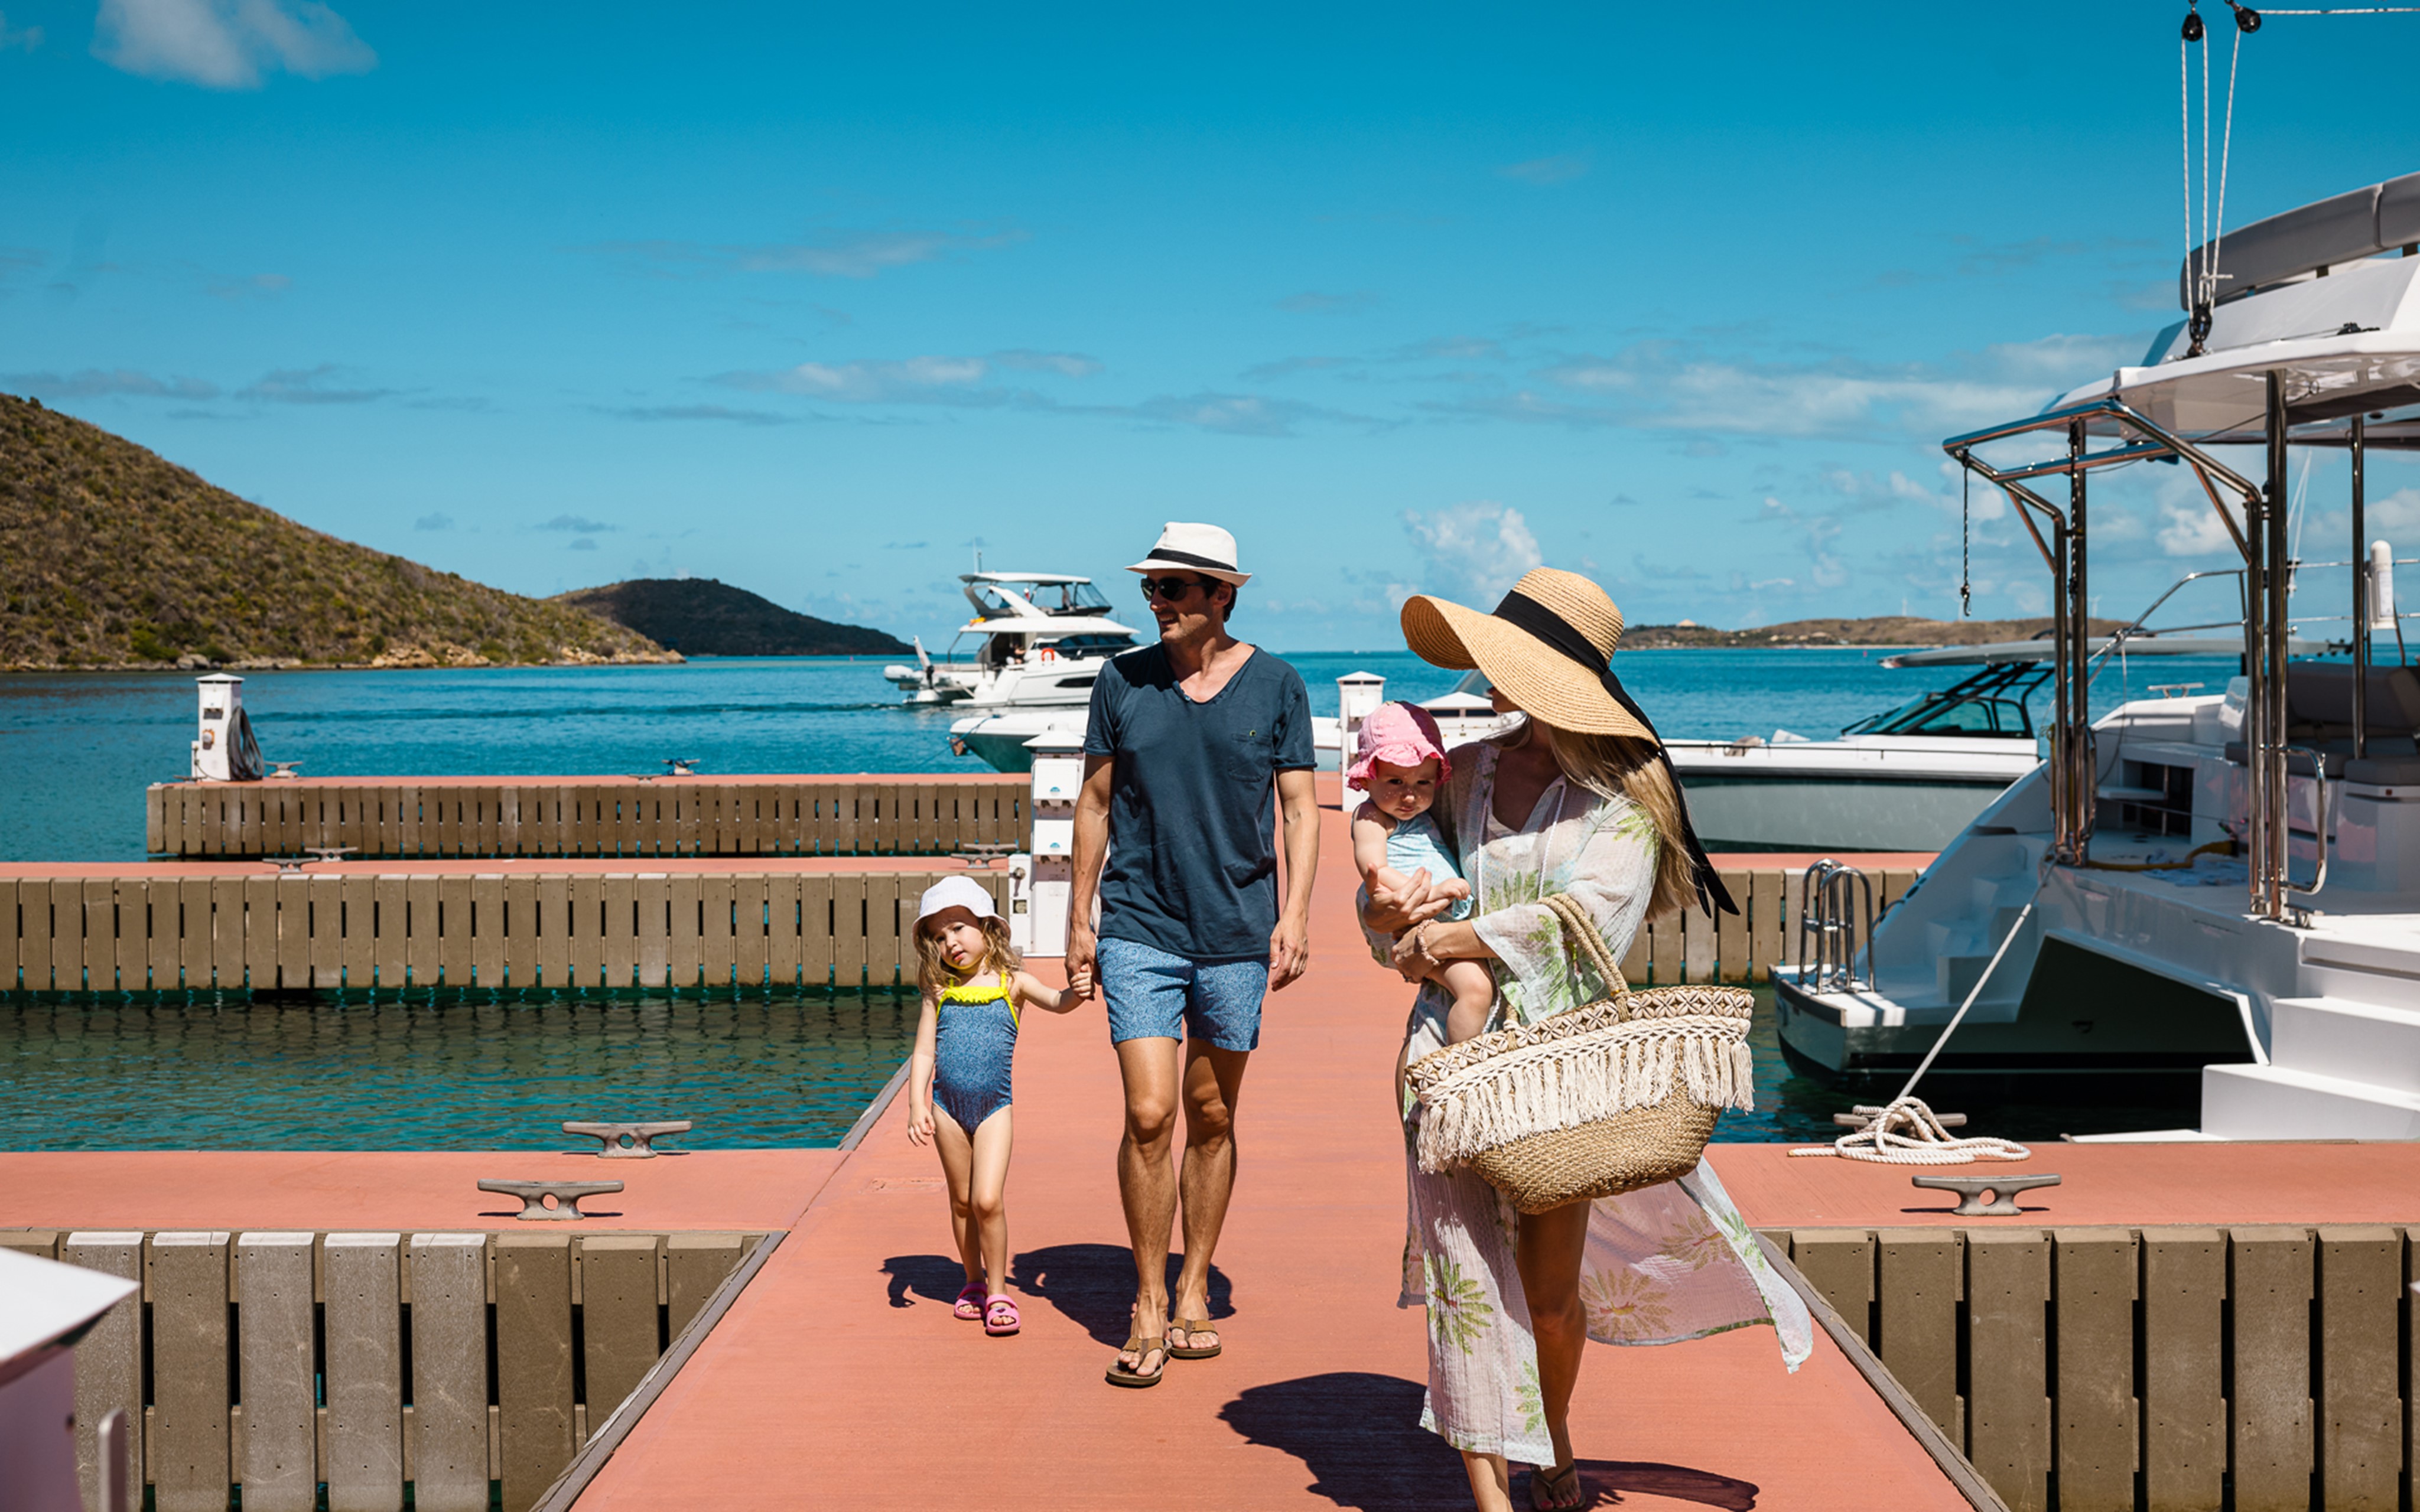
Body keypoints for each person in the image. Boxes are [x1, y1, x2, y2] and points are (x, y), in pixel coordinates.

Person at [1363, 568, 1811, 1512]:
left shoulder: (1629, 801)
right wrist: (1392, 915)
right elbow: (1407, 877)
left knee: (1551, 1293)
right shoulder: (1467, 770)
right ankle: (1493, 1493)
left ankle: (1554, 1437)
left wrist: (1460, 937)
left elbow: (1592, 919)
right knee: (1467, 1278)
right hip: (1448, 1054)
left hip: (1562, 1074)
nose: (1490, 676)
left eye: (1509, 661)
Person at [1064, 521, 1320, 1389]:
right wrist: (1078, 917)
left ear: (1222, 596)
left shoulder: (1279, 685)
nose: (1157, 602)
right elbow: (1095, 802)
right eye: (1152, 588)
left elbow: (1300, 811)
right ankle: (1145, 1298)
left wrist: (1296, 915)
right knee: (1149, 1114)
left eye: (1173, 589)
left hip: (1237, 934)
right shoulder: (1121, 680)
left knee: (1211, 1115)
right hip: (1140, 924)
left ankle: (1195, 1282)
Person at [903, 874, 1088, 1338]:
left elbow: (1059, 1001)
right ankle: (972, 1283)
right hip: (946, 1106)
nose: (951, 943)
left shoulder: (1014, 983)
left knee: (988, 1199)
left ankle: (1000, 1289)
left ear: (988, 928)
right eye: (940, 936)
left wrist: (1080, 987)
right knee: (962, 1201)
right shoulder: (938, 988)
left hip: (994, 1107)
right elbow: (925, 1051)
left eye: (960, 928)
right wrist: (916, 1104)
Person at [1348, 702, 1495, 1044]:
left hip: (1430, 917)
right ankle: (1459, 1068)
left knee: (1479, 985)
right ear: (1368, 777)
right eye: (1395, 781)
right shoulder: (1372, 817)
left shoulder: (1414, 814)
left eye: (1423, 782)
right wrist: (1436, 892)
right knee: (1475, 989)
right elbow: (1376, 870)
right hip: (1404, 922)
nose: (1410, 794)